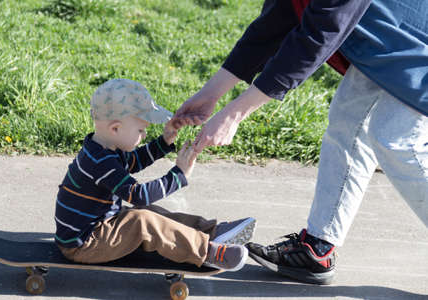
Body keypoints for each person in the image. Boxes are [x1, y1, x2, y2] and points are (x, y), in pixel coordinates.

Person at [172, 0, 427, 285]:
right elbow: (278, 19)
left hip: (417, 40)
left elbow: (318, 36)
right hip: (392, 39)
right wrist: (212, 93)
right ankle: (317, 248)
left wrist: (234, 115)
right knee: (348, 122)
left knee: (396, 138)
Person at [54, 78, 257, 272]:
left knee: (151, 211)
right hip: (83, 245)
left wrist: (164, 142)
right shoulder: (100, 162)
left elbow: (133, 161)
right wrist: (178, 175)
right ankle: (207, 252)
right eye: (141, 130)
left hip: (97, 229)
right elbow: (138, 195)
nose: (144, 136)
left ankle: (211, 232)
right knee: (142, 220)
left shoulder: (104, 149)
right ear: (115, 128)